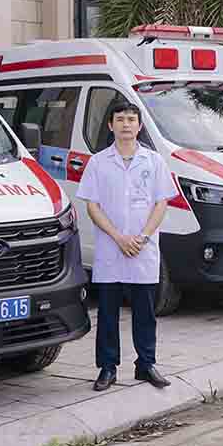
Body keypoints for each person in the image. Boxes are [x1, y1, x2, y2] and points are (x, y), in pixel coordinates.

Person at [76, 100, 177, 392]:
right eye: (120, 119)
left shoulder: (154, 161)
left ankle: (146, 365)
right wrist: (118, 237)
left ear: (139, 125)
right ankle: (107, 368)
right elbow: (92, 206)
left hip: (143, 248)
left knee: (145, 311)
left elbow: (161, 203)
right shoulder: (98, 162)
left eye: (131, 119)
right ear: (110, 125)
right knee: (108, 313)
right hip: (111, 247)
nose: (126, 124)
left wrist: (143, 237)